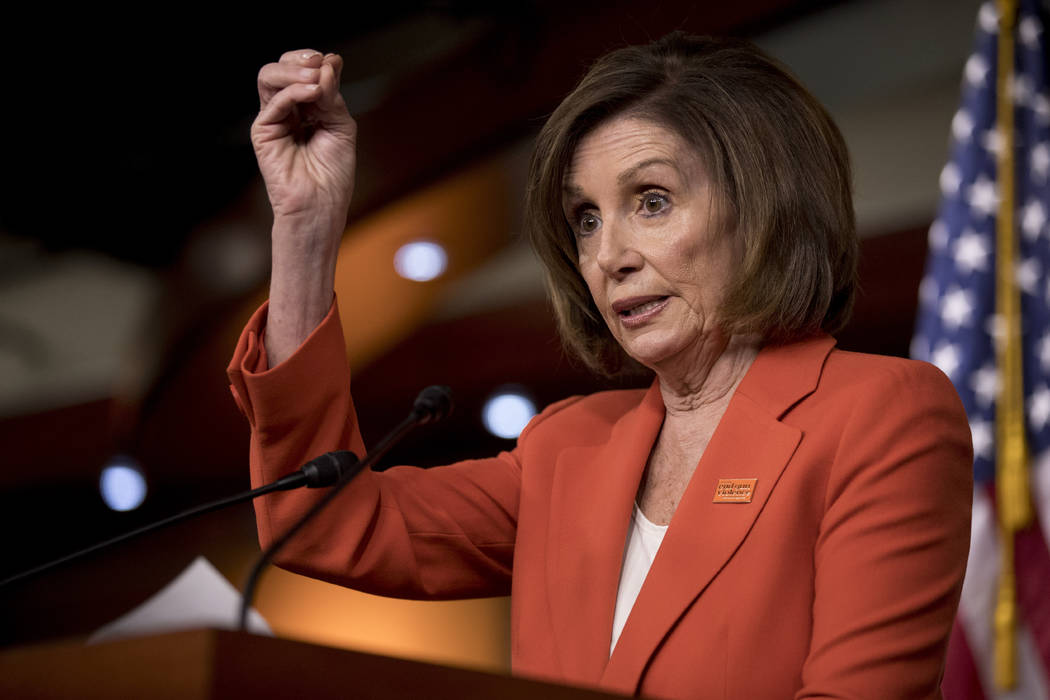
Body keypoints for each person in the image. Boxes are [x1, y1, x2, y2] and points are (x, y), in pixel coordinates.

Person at [228, 34, 973, 699]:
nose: (609, 256)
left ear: (765, 208)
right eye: (586, 218)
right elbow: (316, 526)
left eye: (651, 201)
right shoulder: (566, 446)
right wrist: (306, 228)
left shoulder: (882, 412)